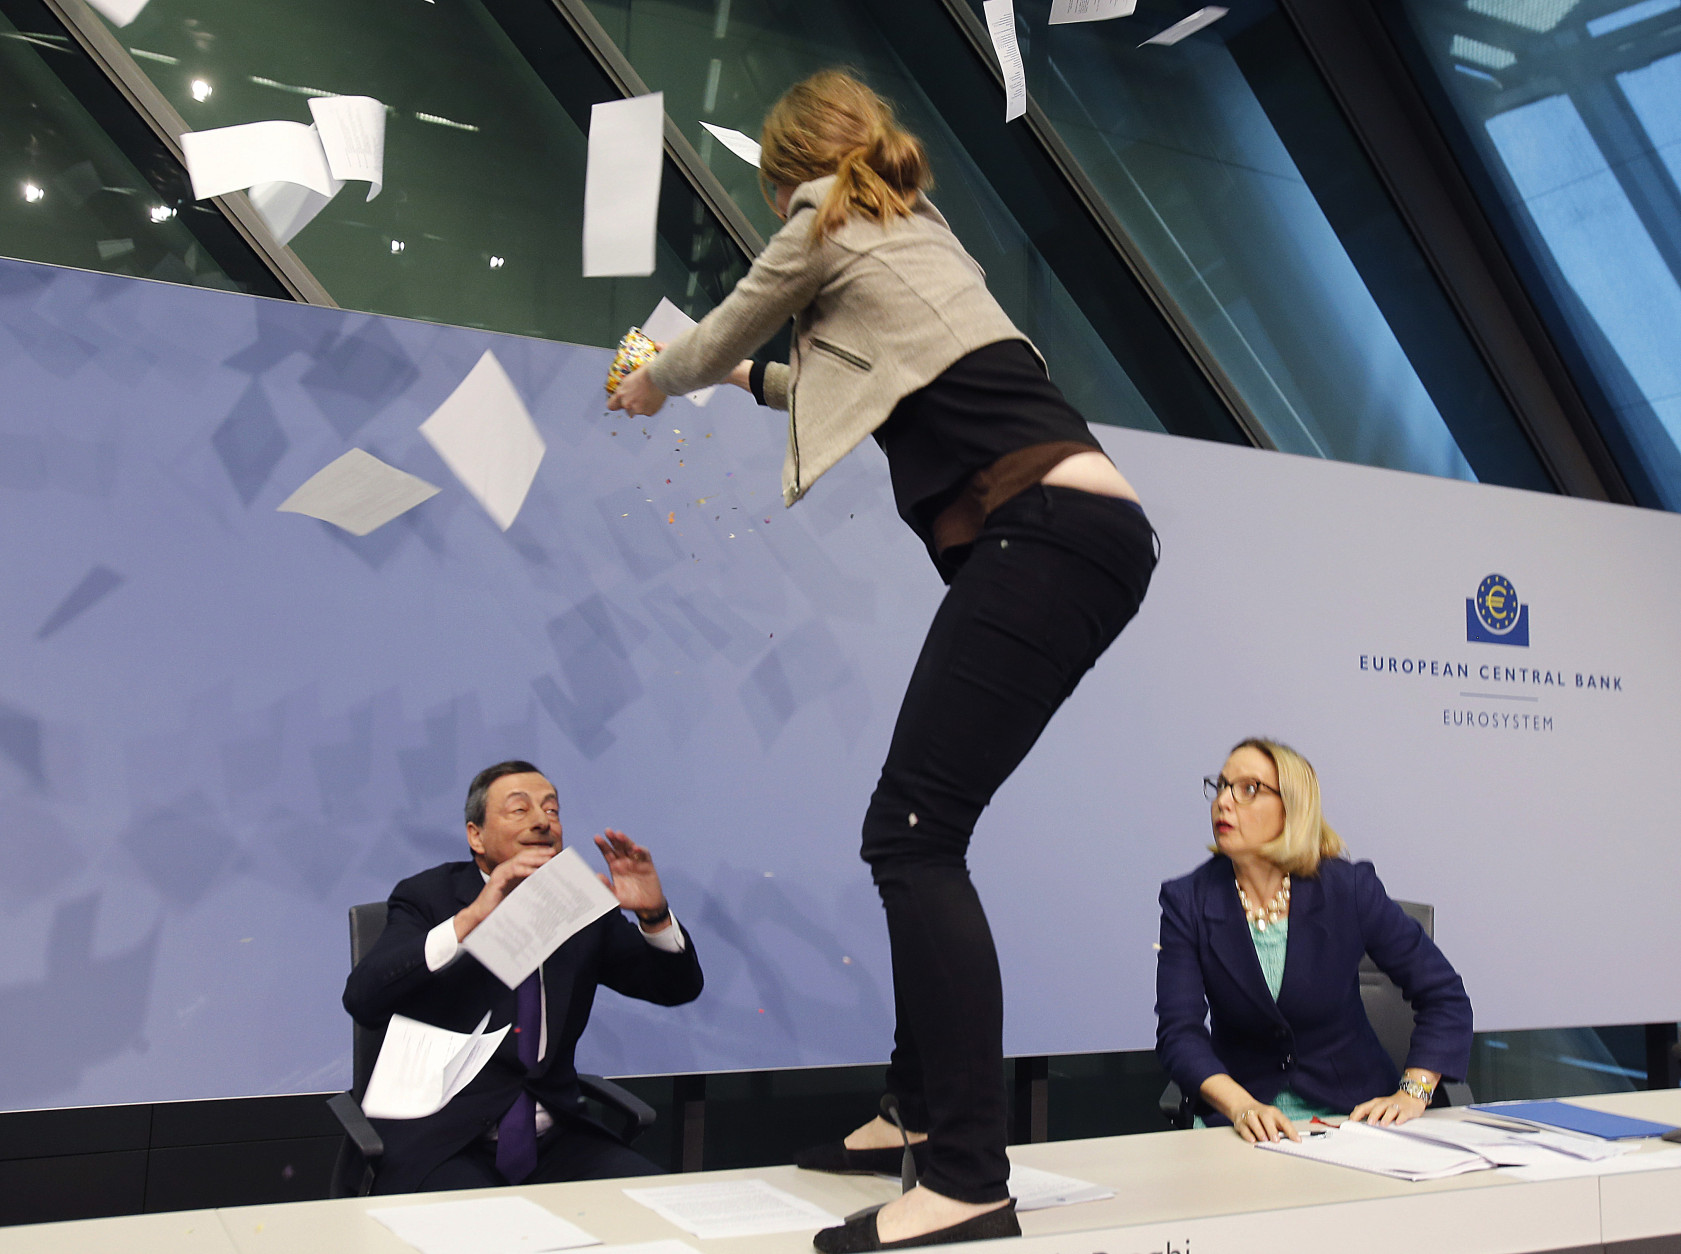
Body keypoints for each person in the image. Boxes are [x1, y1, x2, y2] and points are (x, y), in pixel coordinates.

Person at [609, 70, 1156, 1250]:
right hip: (1091, 531)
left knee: (911, 833)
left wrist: (654, 380)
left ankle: (964, 1177)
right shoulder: (914, 230)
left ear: (787, 172)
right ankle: (913, 1112)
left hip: (1042, 532)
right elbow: (843, 384)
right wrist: (750, 384)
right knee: (927, 827)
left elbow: (718, 334)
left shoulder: (823, 221)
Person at [342, 760, 703, 1193]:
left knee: (663, 1208)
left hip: (557, 1139)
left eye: (552, 810)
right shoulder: (428, 897)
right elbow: (364, 998)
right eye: (520, 810)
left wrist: (654, 915)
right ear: (476, 835)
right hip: (446, 1142)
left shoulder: (580, 904)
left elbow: (675, 988)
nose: (541, 821)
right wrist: (472, 918)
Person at [1155, 738, 1472, 1144]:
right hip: (1244, 1124)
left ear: (1293, 808)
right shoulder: (1188, 901)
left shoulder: (1349, 889)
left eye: (1248, 789)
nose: (1224, 802)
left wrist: (1413, 1092)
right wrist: (1240, 1105)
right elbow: (1179, 1033)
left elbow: (1445, 995)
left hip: (1355, 1119)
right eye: (1221, 786)